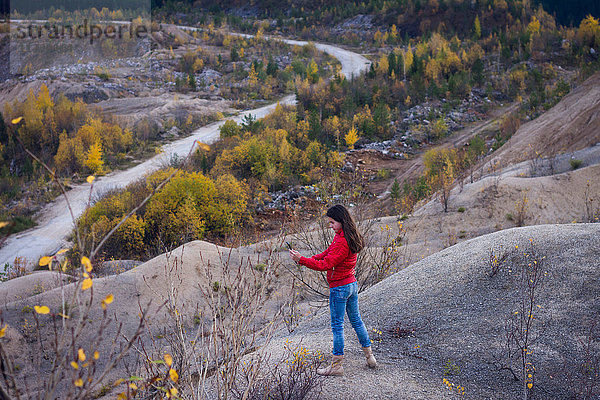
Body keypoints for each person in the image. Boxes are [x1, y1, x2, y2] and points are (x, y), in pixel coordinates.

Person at [289, 204, 377, 376]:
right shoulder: (347, 236)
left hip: (340, 287)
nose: (330, 226)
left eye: (332, 223)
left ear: (341, 221)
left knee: (337, 326)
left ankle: (336, 366)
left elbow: (326, 264)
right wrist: (304, 258)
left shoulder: (343, 241)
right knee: (357, 321)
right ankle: (370, 357)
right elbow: (326, 253)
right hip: (351, 284)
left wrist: (303, 260)